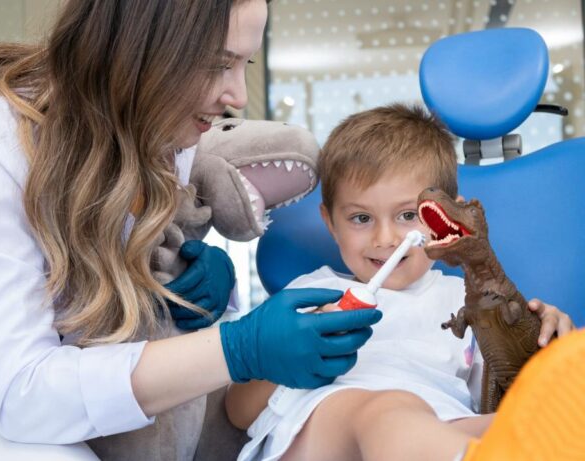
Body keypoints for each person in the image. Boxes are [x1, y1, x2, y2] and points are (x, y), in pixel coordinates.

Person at [0, 1, 385, 460]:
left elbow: (144, 264)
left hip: (66, 379)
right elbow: (21, 390)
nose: (236, 94)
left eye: (245, 65)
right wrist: (239, 348)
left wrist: (193, 280)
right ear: (141, 50)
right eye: (218, 64)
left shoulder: (159, 135)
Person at [226, 103, 576, 461]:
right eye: (361, 218)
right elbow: (237, 411)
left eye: (408, 215)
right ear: (330, 223)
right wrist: (289, 349)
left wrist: (550, 346)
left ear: (443, 219)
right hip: (323, 434)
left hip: (440, 428)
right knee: (392, 412)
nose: (386, 238)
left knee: (520, 422)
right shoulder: (307, 295)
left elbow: (519, 392)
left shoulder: (468, 302)